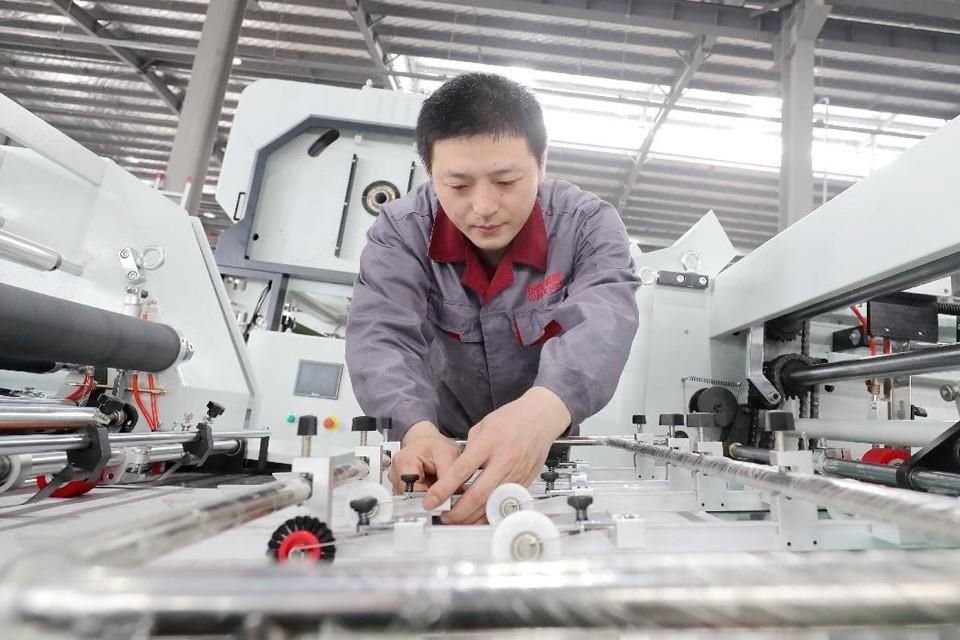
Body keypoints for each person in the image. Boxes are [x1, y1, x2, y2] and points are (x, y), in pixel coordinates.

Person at [345, 72, 639, 524]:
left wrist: (541, 412)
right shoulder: (401, 232)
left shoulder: (588, 225)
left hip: (546, 448)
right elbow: (382, 336)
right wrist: (416, 432)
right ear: (431, 174)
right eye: (457, 186)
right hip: (441, 452)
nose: (483, 207)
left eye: (505, 181)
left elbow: (604, 319)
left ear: (542, 163)